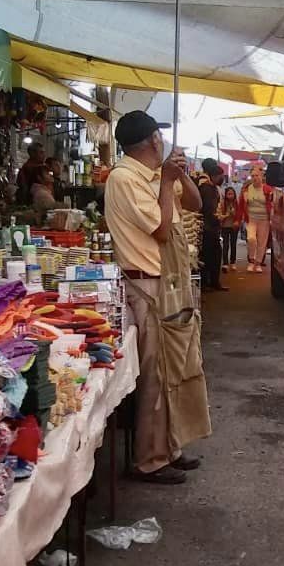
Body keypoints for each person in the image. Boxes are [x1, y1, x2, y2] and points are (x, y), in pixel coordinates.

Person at [104, 111, 208, 485]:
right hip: (146, 285)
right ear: (152, 141)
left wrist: (180, 176)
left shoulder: (155, 176)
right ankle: (149, 459)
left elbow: (195, 204)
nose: (161, 141)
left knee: (175, 369)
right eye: (158, 136)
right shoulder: (124, 179)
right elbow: (162, 231)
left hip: (170, 282)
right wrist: (166, 181)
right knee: (155, 376)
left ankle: (170, 446)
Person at [199, 158, 227, 291]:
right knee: (209, 256)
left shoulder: (210, 186)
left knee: (212, 255)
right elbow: (209, 209)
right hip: (209, 227)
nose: (222, 179)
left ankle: (212, 282)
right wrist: (218, 219)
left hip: (211, 227)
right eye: (221, 176)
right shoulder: (207, 187)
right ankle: (208, 283)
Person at [240, 163, 273, 273]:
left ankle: (258, 263)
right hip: (251, 219)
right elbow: (241, 204)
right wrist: (239, 218)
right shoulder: (247, 189)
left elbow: (273, 203)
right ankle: (251, 261)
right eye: (253, 176)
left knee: (262, 242)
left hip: (264, 219)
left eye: (257, 176)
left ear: (262, 177)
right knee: (251, 239)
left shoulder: (267, 189)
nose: (254, 178)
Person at [15, 140, 46, 205]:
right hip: (33, 202)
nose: (44, 155)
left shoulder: (41, 167)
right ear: (32, 154)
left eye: (43, 152)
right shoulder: (29, 168)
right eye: (41, 152)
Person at [220, 185, 241, 271]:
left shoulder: (237, 203)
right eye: (228, 194)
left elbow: (239, 215)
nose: (230, 196)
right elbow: (220, 215)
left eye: (232, 194)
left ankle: (233, 262)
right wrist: (226, 215)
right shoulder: (223, 203)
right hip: (225, 226)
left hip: (234, 226)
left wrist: (235, 216)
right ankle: (225, 262)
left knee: (233, 244)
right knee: (225, 244)